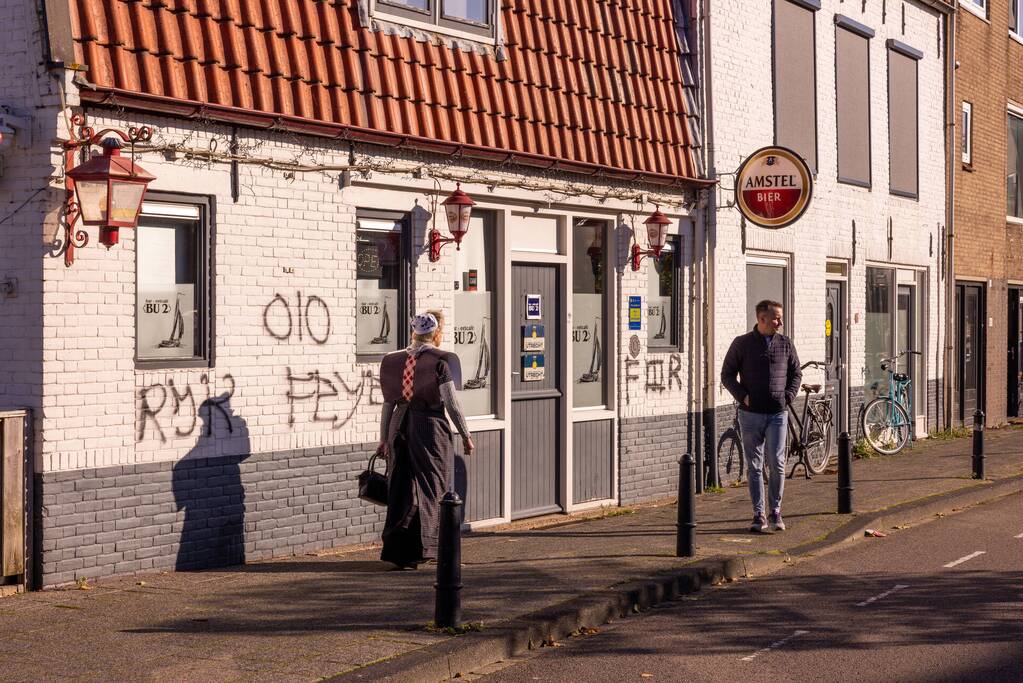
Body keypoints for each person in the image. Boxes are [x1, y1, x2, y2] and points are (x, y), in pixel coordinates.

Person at [377, 310, 475, 569]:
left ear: (414, 333)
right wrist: (465, 435)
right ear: (436, 334)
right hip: (429, 428)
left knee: (402, 487)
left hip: (399, 427)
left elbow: (388, 404)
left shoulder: (393, 361)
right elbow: (451, 403)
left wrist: (384, 439)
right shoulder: (439, 362)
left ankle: (399, 551)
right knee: (433, 487)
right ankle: (428, 547)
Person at [721, 300, 801, 533]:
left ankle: (775, 510)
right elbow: (727, 374)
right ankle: (758, 514)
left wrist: (787, 397)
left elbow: (796, 373)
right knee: (754, 465)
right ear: (761, 319)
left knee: (777, 463)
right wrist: (743, 397)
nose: (781, 322)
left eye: (780, 317)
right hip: (750, 415)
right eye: (776, 318)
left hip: (777, 413)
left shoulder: (785, 344)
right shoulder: (742, 344)